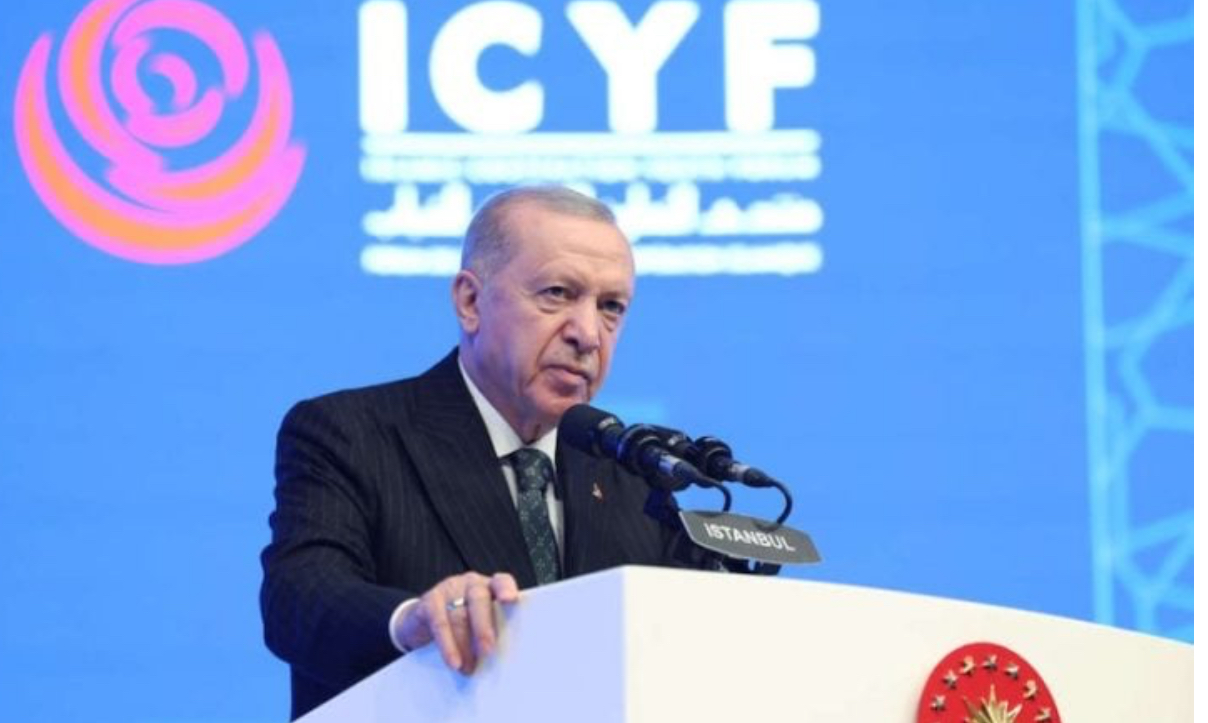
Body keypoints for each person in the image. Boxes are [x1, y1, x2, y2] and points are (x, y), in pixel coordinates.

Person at [260, 186, 681, 719]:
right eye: (557, 293)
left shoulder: (634, 473)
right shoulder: (353, 432)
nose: (588, 334)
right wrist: (413, 620)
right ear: (470, 302)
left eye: (610, 307)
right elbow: (300, 598)